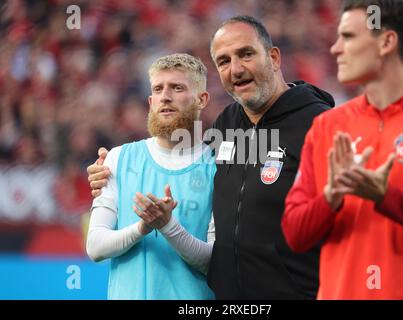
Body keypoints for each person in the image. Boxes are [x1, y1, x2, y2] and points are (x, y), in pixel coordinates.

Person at [88, 16, 334, 299]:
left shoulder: (320, 125)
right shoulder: (227, 127)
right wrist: (105, 171)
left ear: (274, 57)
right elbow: (181, 160)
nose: (236, 69)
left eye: (246, 54)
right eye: (224, 61)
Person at [282, 0, 403, 299]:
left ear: (386, 41)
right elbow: (294, 234)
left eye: (347, 36)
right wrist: (330, 197)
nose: (335, 49)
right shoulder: (326, 127)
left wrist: (386, 198)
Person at [86, 53, 216, 300]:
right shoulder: (118, 159)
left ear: (202, 99)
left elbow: (215, 262)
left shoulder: (219, 169)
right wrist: (142, 228)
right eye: (158, 89)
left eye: (177, 88)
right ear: (150, 100)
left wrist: (167, 226)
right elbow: (95, 247)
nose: (165, 96)